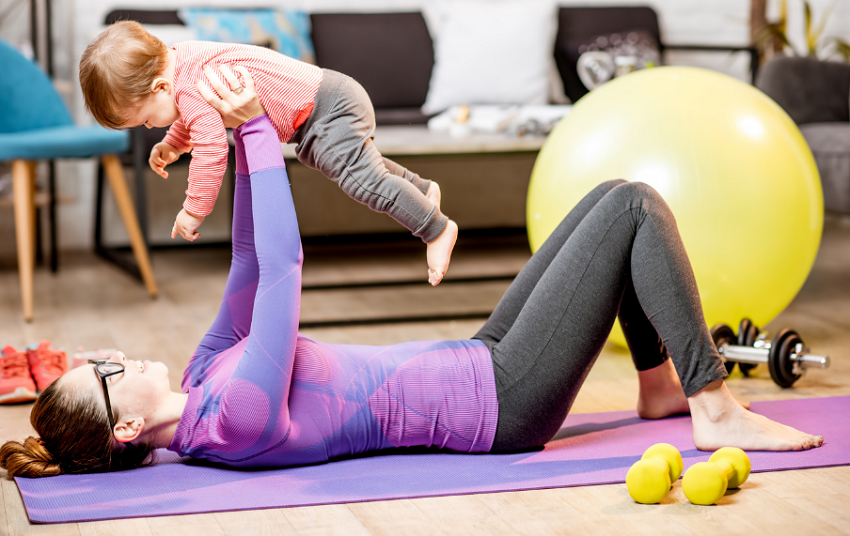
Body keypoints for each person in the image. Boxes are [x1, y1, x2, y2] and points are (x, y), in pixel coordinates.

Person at [0, 68, 824, 479]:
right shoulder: (235, 420)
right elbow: (285, 269)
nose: (111, 356)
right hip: (505, 404)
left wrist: (225, 118)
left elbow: (250, 259)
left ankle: (660, 387)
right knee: (637, 204)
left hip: (481, 358)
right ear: (126, 432)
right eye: (104, 375)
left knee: (612, 196)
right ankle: (712, 405)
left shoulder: (207, 375)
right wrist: (253, 132)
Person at [79, 21, 457, 286]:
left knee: (360, 181)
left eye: (146, 120)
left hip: (326, 110)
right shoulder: (183, 61)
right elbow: (195, 116)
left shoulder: (188, 89)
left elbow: (211, 149)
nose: (150, 127)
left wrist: (193, 210)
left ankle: (435, 228)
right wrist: (173, 142)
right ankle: (418, 190)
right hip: (326, 102)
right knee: (359, 167)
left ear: (160, 87)